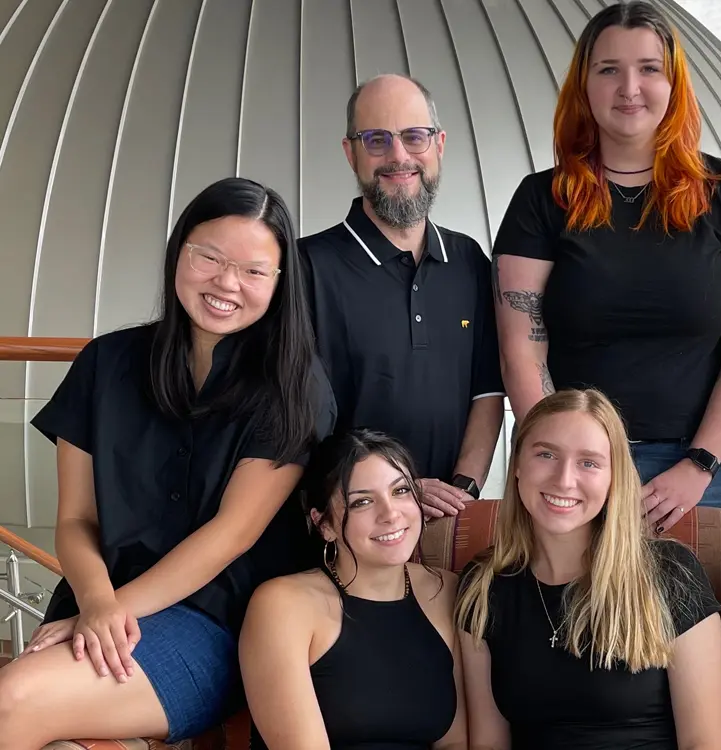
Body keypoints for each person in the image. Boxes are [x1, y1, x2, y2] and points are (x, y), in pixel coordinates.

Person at [0, 177, 336, 746]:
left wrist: (109, 611)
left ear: (280, 283)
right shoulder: (105, 363)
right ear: (179, 250)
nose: (227, 283)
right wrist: (97, 602)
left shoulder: (292, 387)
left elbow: (231, 535)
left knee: (11, 701)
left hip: (210, 623)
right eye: (209, 257)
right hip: (96, 601)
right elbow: (77, 519)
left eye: (254, 271)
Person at [492, 1, 721, 524]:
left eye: (649, 69)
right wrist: (566, 461)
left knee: (694, 609)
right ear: (585, 86)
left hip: (694, 474)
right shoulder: (541, 199)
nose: (630, 88)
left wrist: (699, 463)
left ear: (674, 84)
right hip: (574, 474)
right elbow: (522, 346)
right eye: (609, 70)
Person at [455, 389, 721, 750]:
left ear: (614, 478)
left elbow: (706, 742)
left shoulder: (668, 572)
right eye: (546, 454)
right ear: (518, 464)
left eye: (589, 462)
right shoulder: (483, 584)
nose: (564, 480)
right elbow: (489, 743)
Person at [302, 73, 504, 519]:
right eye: (376, 139)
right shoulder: (306, 268)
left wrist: (461, 491)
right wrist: (393, 493)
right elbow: (294, 424)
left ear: (439, 145)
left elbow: (486, 394)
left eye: (415, 137)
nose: (399, 156)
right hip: (345, 524)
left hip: (444, 520)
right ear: (350, 152)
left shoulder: (469, 261)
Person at [240, 429, 467, 749]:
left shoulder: (447, 590)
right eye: (362, 502)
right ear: (325, 525)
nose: (391, 515)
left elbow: (454, 742)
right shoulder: (282, 605)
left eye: (401, 490)